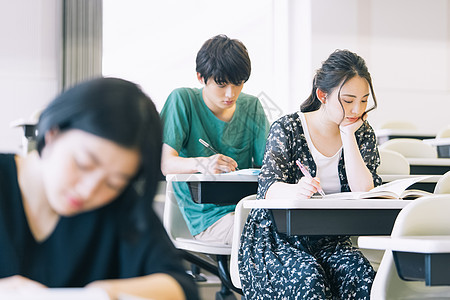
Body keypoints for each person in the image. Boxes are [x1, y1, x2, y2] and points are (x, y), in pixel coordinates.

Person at [0, 77, 199, 300]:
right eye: (84, 164)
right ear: (53, 134)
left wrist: (103, 294)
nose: (89, 191)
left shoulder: (119, 205)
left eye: (114, 182)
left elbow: (182, 288)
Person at [238, 50, 383, 299]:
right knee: (308, 278)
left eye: (363, 100)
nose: (356, 109)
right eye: (348, 101)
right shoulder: (288, 127)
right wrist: (294, 191)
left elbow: (365, 192)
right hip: (277, 240)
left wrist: (349, 136)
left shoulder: (361, 132)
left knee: (360, 274)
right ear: (322, 95)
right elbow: (267, 186)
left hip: (330, 240)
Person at [160, 34, 269, 245]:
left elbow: (268, 165)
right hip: (207, 217)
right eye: (221, 85)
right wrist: (204, 163)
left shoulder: (252, 106)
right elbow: (166, 163)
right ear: (201, 78)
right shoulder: (182, 100)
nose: (231, 93)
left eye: (238, 84)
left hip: (250, 208)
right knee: (263, 238)